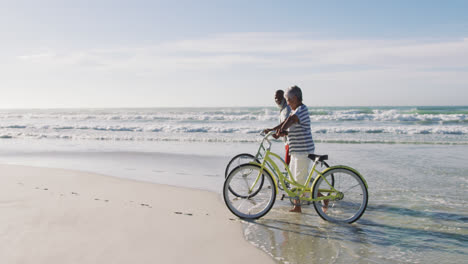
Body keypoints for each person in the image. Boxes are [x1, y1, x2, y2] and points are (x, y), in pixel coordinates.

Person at [264, 85, 315, 213]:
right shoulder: (294, 110)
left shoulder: (301, 109)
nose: (287, 103)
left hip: (303, 151)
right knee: (294, 180)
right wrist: (274, 130)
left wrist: (282, 130)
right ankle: (297, 206)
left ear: (296, 98)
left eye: (288, 100)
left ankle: (323, 198)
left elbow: (291, 120)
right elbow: (286, 122)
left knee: (300, 180)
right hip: (295, 150)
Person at [274, 90, 291, 164]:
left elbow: (286, 122)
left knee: (288, 167)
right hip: (286, 141)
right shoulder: (282, 108)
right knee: (288, 167)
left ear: (284, 98)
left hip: (291, 142)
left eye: (279, 98)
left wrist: (274, 130)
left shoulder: (287, 108)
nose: (277, 100)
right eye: (275, 98)